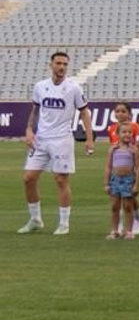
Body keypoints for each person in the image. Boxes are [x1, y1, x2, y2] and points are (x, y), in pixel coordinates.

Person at [19, 51, 93, 235]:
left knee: (61, 179)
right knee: (28, 178)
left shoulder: (74, 88)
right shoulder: (40, 87)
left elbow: (84, 112)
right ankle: (35, 219)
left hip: (62, 140)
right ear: (50, 65)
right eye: (58, 63)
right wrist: (29, 130)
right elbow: (35, 110)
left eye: (65, 64)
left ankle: (64, 224)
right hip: (41, 139)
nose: (61, 67)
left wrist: (90, 138)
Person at [104, 121, 139, 239]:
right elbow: (108, 167)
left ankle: (129, 231)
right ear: (118, 134)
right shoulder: (113, 149)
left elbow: (138, 168)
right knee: (114, 206)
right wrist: (106, 183)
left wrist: (136, 184)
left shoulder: (134, 150)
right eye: (124, 132)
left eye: (130, 132)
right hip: (115, 180)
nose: (127, 134)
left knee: (128, 206)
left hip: (128, 180)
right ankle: (115, 230)